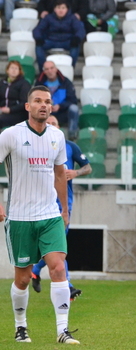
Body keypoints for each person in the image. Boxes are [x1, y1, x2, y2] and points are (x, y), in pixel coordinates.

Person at [0, 85, 77, 344]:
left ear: (52, 107)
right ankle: (21, 326)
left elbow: (59, 174)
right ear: (28, 106)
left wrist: (64, 210)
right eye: (38, 101)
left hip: (49, 215)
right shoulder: (10, 135)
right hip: (20, 217)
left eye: (47, 101)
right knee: (22, 278)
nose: (43, 105)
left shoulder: (57, 136)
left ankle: (62, 330)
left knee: (57, 268)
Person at [30, 114, 90, 301]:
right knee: (57, 246)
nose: (51, 125)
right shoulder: (36, 147)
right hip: (41, 201)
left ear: (59, 127)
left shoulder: (69, 146)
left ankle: (36, 269)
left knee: (58, 245)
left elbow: (87, 167)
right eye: (48, 123)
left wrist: (76, 172)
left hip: (64, 202)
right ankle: (67, 284)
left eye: (54, 123)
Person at [33, 0, 85, 69]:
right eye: (58, 8)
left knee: (75, 47)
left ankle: (70, 69)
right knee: (39, 47)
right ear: (54, 9)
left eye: (63, 8)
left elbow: (80, 29)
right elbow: (38, 29)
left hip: (67, 41)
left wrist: (77, 38)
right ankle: (43, 70)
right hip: (51, 40)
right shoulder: (48, 18)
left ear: (67, 9)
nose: (61, 10)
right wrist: (38, 38)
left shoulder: (73, 18)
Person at [34, 61, 79, 138]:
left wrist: (60, 106)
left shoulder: (66, 82)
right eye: (47, 69)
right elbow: (35, 100)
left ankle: (72, 134)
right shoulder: (39, 83)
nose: (50, 71)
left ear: (56, 69)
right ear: (44, 71)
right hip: (45, 112)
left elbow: (73, 100)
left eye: (52, 68)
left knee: (74, 109)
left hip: (62, 112)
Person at [0, 60, 31, 127]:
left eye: (16, 68)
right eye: (12, 68)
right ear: (7, 70)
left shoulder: (24, 84)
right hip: (3, 111)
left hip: (19, 113)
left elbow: (25, 102)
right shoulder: (2, 83)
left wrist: (10, 110)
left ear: (19, 71)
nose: (14, 70)